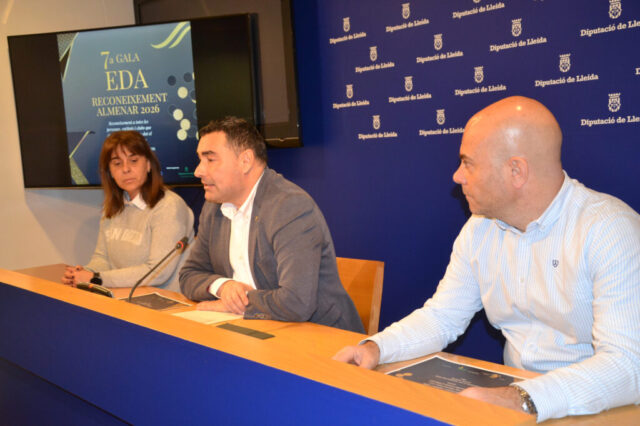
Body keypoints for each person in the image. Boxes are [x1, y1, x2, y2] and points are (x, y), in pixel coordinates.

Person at [333, 96, 640, 421]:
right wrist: (377, 347)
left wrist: (522, 399)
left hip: (601, 409)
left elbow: (628, 365)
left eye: (468, 163)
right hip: (519, 403)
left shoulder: (610, 230)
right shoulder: (480, 229)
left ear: (516, 171)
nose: (457, 176)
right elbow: (443, 317)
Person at [179, 117, 364, 333]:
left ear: (245, 161)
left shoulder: (289, 206)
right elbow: (189, 275)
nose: (198, 171)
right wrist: (223, 287)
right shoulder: (214, 207)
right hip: (253, 330)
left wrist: (236, 304)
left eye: (210, 160)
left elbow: (296, 302)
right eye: (200, 160)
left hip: (320, 336)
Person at [61, 131, 194, 293]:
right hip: (125, 296)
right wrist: (81, 274)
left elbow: (157, 273)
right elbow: (102, 258)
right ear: (109, 171)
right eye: (117, 163)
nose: (126, 169)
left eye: (133, 161)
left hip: (167, 299)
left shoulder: (169, 206)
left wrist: (96, 278)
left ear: (148, 164)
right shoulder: (112, 207)